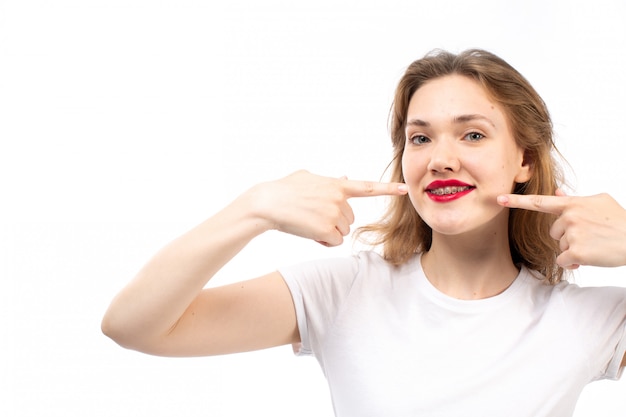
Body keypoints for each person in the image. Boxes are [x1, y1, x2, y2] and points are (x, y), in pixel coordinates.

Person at [101, 49, 626, 416]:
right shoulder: (340, 292)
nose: (441, 160)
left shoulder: (589, 319)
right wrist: (252, 209)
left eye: (472, 134)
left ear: (525, 161)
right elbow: (134, 326)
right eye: (419, 138)